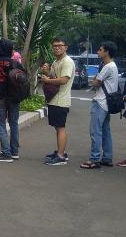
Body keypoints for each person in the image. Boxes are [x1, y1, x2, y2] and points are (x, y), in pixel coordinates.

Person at [80, 41, 119, 169]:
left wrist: (92, 82)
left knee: (95, 131)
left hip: (101, 102)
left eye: (100, 49)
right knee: (105, 131)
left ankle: (94, 159)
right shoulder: (113, 66)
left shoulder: (108, 66)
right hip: (107, 103)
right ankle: (107, 158)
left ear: (106, 52)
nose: (98, 52)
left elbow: (96, 82)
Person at [40, 37, 75, 166]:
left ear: (66, 47)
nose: (57, 48)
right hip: (55, 100)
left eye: (60, 45)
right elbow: (54, 77)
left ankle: (60, 156)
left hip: (61, 100)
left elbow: (63, 80)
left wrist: (47, 80)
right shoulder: (56, 61)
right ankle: (61, 152)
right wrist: (46, 72)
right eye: (54, 46)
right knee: (57, 127)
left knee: (60, 128)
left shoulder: (67, 61)